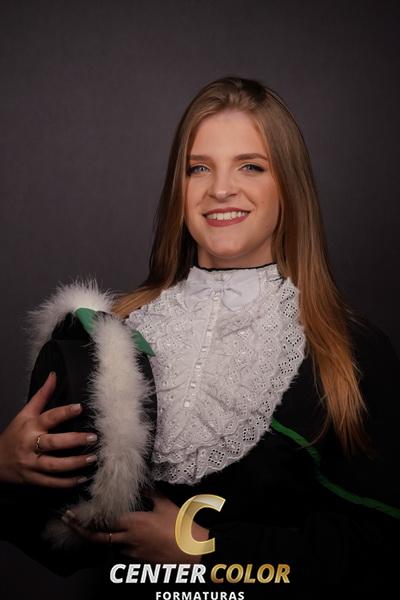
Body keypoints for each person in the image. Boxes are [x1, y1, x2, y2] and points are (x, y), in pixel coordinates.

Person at [0, 76, 399, 596]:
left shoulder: (348, 352)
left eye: (250, 166)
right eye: (199, 168)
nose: (220, 189)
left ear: (289, 186)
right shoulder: (117, 331)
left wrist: (205, 552)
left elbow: (382, 553)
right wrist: (8, 469)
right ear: (179, 189)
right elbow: (63, 542)